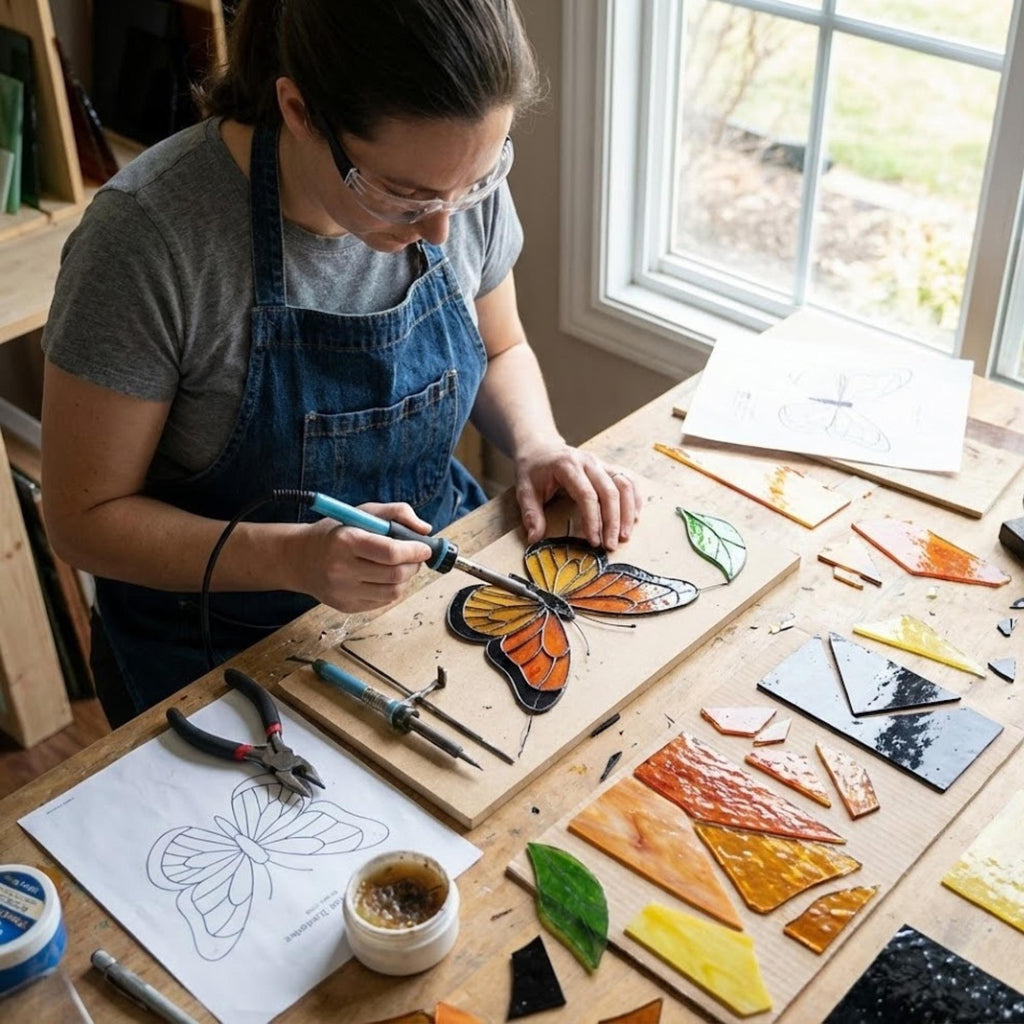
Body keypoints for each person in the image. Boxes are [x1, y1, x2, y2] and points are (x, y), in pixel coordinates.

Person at [40, 0, 642, 728]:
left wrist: (537, 444)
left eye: (474, 185)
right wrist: (292, 559)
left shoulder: (451, 172)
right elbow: (82, 521)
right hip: (217, 647)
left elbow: (499, 346)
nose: (441, 227)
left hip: (426, 593)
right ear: (299, 110)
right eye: (403, 194)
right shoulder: (150, 241)